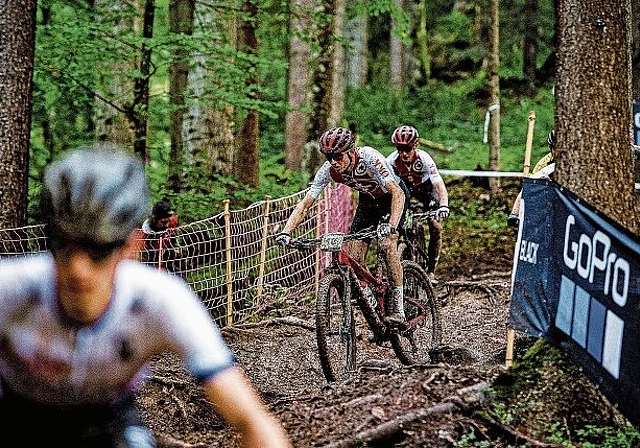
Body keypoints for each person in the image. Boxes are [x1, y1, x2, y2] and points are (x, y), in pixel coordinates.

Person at [0, 143, 292, 448]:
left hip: (107, 422)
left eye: (98, 249)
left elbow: (250, 420)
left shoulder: (161, 300)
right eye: (62, 243)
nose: (78, 269)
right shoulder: (12, 287)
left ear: (130, 246)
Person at [275, 126, 409, 326]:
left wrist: (391, 226)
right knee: (354, 260)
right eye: (329, 157)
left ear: (352, 151)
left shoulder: (369, 158)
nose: (334, 162)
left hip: (392, 198)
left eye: (338, 156)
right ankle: (374, 312)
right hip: (368, 202)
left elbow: (398, 193)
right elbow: (304, 204)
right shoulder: (327, 171)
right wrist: (286, 232)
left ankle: (398, 309)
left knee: (387, 244)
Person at [386, 125, 450, 285]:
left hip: (426, 190)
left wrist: (444, 205)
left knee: (435, 227)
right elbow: (387, 188)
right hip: (406, 191)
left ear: (415, 146)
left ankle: (431, 271)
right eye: (400, 149)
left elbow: (439, 185)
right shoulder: (391, 161)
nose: (404, 153)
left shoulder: (424, 159)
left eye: (407, 149)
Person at [507, 129, 556, 228]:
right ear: (551, 148)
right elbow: (530, 187)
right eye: (555, 148)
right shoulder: (544, 163)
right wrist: (516, 213)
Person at [139, 198, 180, 270]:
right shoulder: (145, 237)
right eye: (163, 222)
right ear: (154, 220)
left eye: (168, 221)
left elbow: (173, 238)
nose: (167, 225)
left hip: (169, 258)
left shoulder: (173, 221)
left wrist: (175, 247)